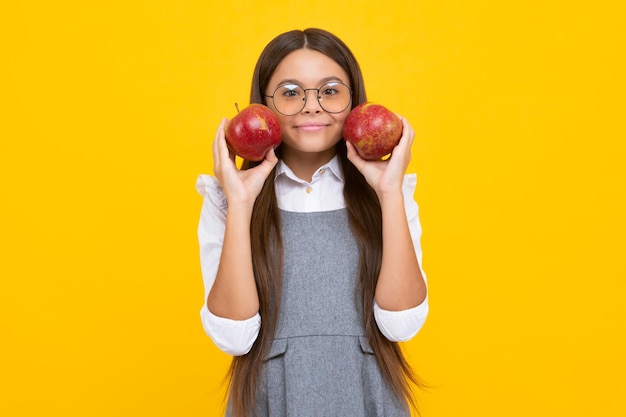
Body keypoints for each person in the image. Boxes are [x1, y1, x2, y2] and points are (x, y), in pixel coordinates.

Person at [196, 28, 429, 417]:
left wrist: (389, 193)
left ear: (353, 101)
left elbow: (401, 323)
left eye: (330, 90)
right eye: (290, 92)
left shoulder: (388, 195)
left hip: (368, 396)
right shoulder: (228, 199)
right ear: (263, 105)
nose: (311, 106)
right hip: (270, 399)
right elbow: (234, 335)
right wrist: (240, 201)